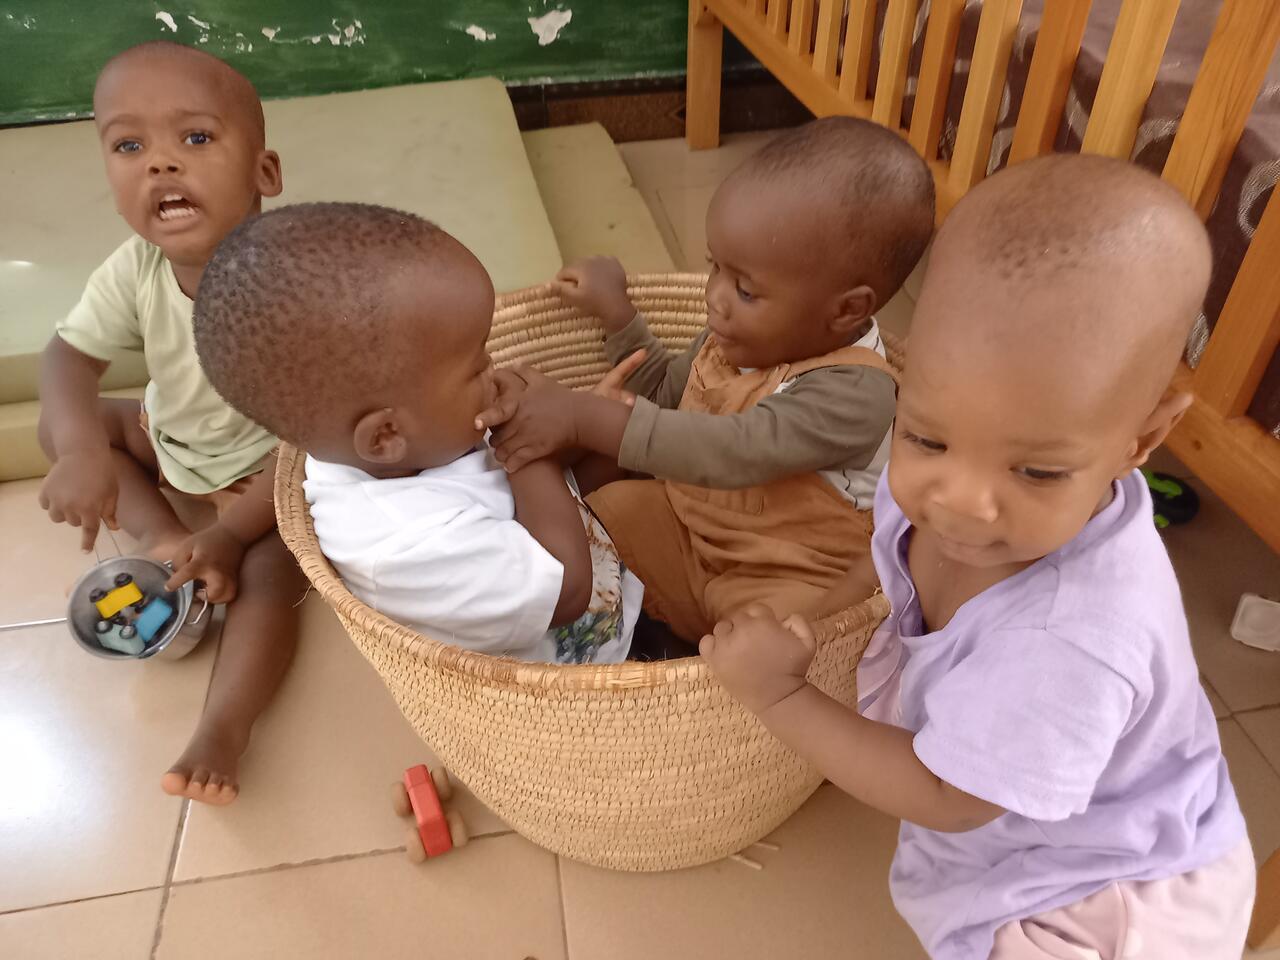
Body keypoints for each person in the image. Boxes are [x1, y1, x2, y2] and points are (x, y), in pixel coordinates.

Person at [701, 154, 1252, 959]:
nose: (960, 501)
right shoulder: (946, 463)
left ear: (1142, 440)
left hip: (1106, 886)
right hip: (1029, 808)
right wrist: (812, 618)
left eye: (1036, 471)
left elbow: (948, 796)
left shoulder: (1071, 643)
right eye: (927, 438)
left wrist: (781, 696)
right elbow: (887, 561)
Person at [478, 117, 935, 640]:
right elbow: (662, 396)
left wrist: (583, 417)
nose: (715, 296)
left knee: (773, 636)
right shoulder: (737, 339)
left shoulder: (857, 393)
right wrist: (619, 315)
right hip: (689, 527)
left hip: (786, 570)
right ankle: (618, 632)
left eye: (745, 290)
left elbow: (734, 449)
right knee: (601, 514)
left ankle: (679, 656)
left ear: (846, 310)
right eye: (715, 266)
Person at [192, 202, 643, 664]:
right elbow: (568, 591)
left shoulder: (403, 437)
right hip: (587, 668)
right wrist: (526, 448)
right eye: (476, 365)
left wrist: (575, 422)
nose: (494, 368)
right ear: (386, 436)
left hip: (593, 551)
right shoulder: (409, 547)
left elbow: (291, 470)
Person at [37, 41, 304, 806]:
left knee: (270, 575)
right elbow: (67, 356)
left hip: (276, 472)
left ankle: (224, 727)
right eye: (129, 146)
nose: (160, 163)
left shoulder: (293, 286)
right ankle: (161, 537)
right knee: (64, 430)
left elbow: (317, 441)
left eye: (195, 137)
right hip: (172, 440)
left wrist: (233, 532)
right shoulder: (136, 266)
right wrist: (82, 450)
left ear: (264, 174)